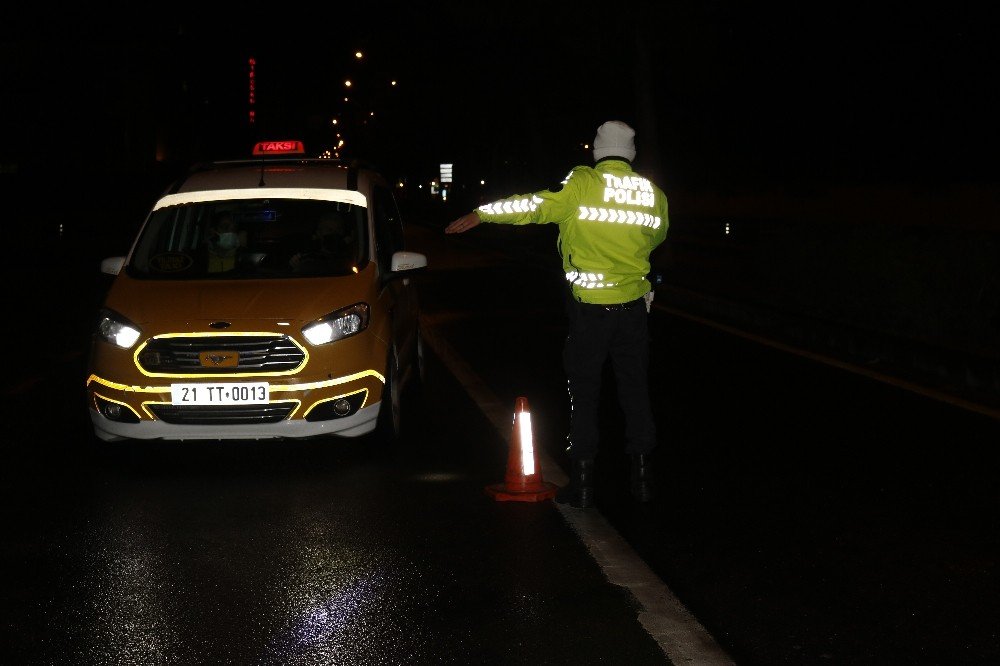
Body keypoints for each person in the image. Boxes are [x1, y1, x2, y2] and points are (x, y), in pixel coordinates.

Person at [444, 120, 669, 508]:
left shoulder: (582, 183)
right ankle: (644, 482)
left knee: (584, 394)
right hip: (634, 311)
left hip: (589, 313)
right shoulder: (653, 193)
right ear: (631, 154)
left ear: (598, 152)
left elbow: (533, 206)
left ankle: (582, 487)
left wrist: (484, 213)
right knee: (635, 393)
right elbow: (658, 237)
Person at [290, 210, 357, 274]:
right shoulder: (309, 257)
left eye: (339, 229)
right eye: (329, 230)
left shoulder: (354, 256)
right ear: (319, 233)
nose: (334, 233)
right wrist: (297, 266)